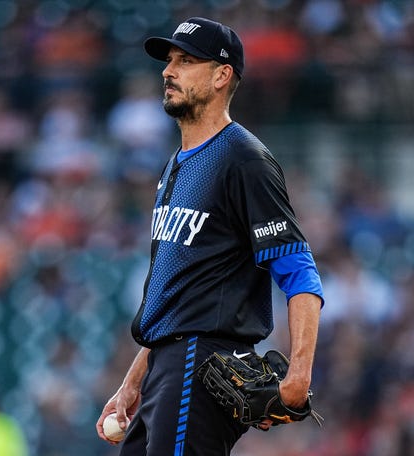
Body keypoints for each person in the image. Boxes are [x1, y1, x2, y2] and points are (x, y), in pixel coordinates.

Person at [96, 16, 324, 455]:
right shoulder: (176, 164)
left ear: (222, 75)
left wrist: (299, 375)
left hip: (200, 363)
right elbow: (177, 297)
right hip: (167, 364)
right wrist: (132, 383)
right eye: (168, 61)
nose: (168, 71)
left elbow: (299, 272)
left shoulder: (243, 158)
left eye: (185, 60)